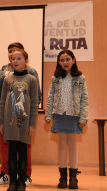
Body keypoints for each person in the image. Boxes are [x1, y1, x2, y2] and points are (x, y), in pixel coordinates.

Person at [0, 42, 41, 186]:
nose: (15, 61)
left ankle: (22, 181)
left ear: (26, 60)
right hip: (9, 122)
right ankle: (13, 182)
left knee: (23, 151)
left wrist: (32, 124)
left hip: (24, 123)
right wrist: (1, 122)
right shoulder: (7, 79)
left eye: (19, 58)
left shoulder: (31, 79)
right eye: (13, 59)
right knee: (11, 151)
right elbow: (1, 101)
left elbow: (34, 102)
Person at [45, 50, 88, 189]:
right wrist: (48, 114)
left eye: (67, 59)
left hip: (74, 115)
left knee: (73, 147)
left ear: (73, 60)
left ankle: (73, 178)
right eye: (62, 60)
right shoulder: (55, 78)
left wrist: (83, 117)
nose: (65, 62)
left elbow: (84, 99)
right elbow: (51, 96)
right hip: (59, 115)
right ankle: (63, 177)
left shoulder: (80, 78)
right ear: (58, 62)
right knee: (62, 146)